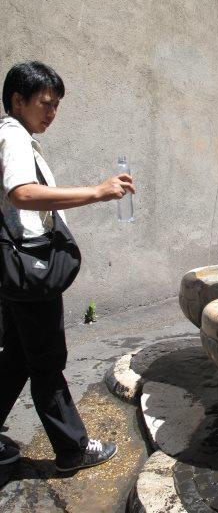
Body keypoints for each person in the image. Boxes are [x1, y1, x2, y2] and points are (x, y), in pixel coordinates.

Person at [0, 61, 135, 471]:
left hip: (13, 270)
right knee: (46, 362)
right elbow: (22, 193)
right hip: (30, 268)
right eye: (45, 103)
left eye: (57, 104)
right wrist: (97, 192)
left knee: (17, 357)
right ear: (17, 100)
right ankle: (73, 449)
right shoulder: (13, 137)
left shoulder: (12, 135)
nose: (52, 113)